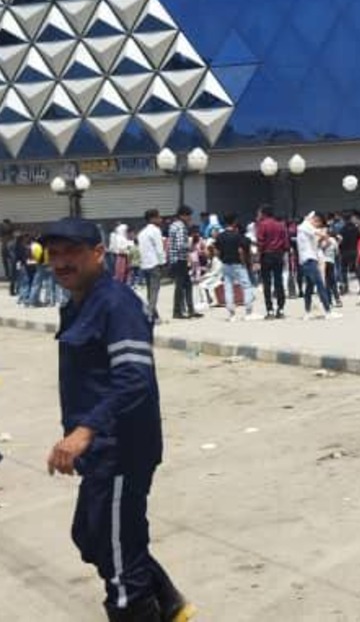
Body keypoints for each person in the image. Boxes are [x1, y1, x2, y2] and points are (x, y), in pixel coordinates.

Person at [42, 217, 194, 622]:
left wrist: (84, 431)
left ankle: (148, 608)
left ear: (98, 253)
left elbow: (134, 379)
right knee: (91, 536)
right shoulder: (77, 305)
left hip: (121, 450)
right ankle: (171, 603)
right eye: (54, 254)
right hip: (99, 452)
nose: (62, 262)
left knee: (121, 567)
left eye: (72, 252)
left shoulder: (116, 303)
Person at [297, 212, 340, 320]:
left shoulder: (305, 227)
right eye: (318, 224)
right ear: (315, 220)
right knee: (320, 284)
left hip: (307, 260)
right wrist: (327, 236)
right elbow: (320, 234)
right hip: (309, 260)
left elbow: (317, 240)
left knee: (309, 287)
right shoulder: (306, 226)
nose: (318, 226)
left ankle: (307, 312)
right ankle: (327, 311)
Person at [216, 213, 258, 322]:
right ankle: (248, 312)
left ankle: (231, 314)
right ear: (234, 222)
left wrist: (222, 258)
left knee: (228, 287)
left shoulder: (220, 236)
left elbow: (217, 252)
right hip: (238, 264)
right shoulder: (238, 236)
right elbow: (245, 247)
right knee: (246, 286)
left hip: (226, 264)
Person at [255, 205, 289, 320]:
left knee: (267, 283)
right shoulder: (280, 225)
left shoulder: (262, 225)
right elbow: (286, 243)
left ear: (264, 213)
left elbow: (260, 241)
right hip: (278, 255)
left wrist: (257, 258)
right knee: (279, 282)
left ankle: (270, 310)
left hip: (267, 255)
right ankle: (281, 309)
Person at [167, 206, 200, 320]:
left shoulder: (173, 225)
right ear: (182, 215)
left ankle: (190, 310)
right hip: (180, 259)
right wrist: (191, 246)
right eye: (188, 215)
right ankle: (178, 311)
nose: (190, 218)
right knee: (181, 286)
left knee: (186, 285)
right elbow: (181, 245)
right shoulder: (181, 227)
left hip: (175, 259)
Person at [136, 210, 165, 323]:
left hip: (145, 265)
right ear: (152, 219)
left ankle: (155, 316)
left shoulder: (141, 233)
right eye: (158, 217)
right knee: (154, 292)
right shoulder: (155, 231)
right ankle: (149, 316)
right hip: (154, 264)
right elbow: (159, 249)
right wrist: (163, 262)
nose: (160, 219)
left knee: (150, 291)